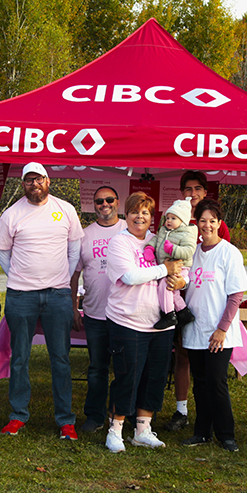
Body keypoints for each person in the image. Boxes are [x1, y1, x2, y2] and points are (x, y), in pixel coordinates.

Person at [0, 162, 84, 439]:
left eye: (38, 179)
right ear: (22, 184)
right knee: (19, 357)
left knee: (60, 358)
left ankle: (65, 420)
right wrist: (23, 279)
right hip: (21, 296)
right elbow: (4, 255)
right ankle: (18, 415)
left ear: (48, 180)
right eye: (28, 180)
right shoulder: (11, 214)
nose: (34, 184)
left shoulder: (66, 210)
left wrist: (60, 279)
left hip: (57, 295)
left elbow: (74, 251)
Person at [104, 192, 184, 453]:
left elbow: (182, 269)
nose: (140, 217)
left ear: (153, 218)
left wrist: (181, 280)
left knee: (154, 377)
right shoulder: (119, 243)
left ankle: (143, 429)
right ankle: (114, 430)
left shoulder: (159, 240)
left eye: (146, 213)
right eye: (135, 212)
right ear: (126, 215)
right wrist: (165, 270)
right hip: (128, 322)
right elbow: (129, 276)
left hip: (160, 323)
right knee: (127, 377)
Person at [180, 199, 247, 452]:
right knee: (199, 382)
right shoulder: (192, 252)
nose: (207, 225)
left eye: (212, 220)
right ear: (196, 224)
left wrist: (222, 328)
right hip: (195, 330)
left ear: (219, 223)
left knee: (216, 381)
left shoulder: (229, 252)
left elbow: (235, 295)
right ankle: (202, 431)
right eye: (202, 221)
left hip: (219, 331)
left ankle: (226, 434)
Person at [164, 170, 230, 432]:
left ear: (205, 192)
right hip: (175, 296)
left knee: (207, 365)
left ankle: (213, 415)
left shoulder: (214, 223)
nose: (193, 194)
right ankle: (182, 410)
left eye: (198, 189)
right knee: (182, 355)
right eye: (188, 189)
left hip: (204, 299)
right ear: (182, 193)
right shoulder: (174, 218)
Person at [70, 186, 127, 434]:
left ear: (118, 202)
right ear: (93, 205)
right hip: (94, 314)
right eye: (99, 201)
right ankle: (94, 416)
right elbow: (74, 274)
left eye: (109, 199)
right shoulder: (84, 235)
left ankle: (121, 414)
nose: (104, 204)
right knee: (97, 369)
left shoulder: (130, 229)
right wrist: (73, 306)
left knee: (124, 369)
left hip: (126, 314)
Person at [147, 197, 197, 330]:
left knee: (165, 286)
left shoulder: (187, 233)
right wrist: (149, 248)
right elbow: (156, 239)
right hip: (167, 266)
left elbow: (189, 251)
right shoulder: (164, 230)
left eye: (173, 218)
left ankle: (168, 315)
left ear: (182, 221)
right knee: (173, 292)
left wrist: (172, 250)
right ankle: (183, 312)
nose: (169, 221)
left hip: (180, 267)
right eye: (167, 217)